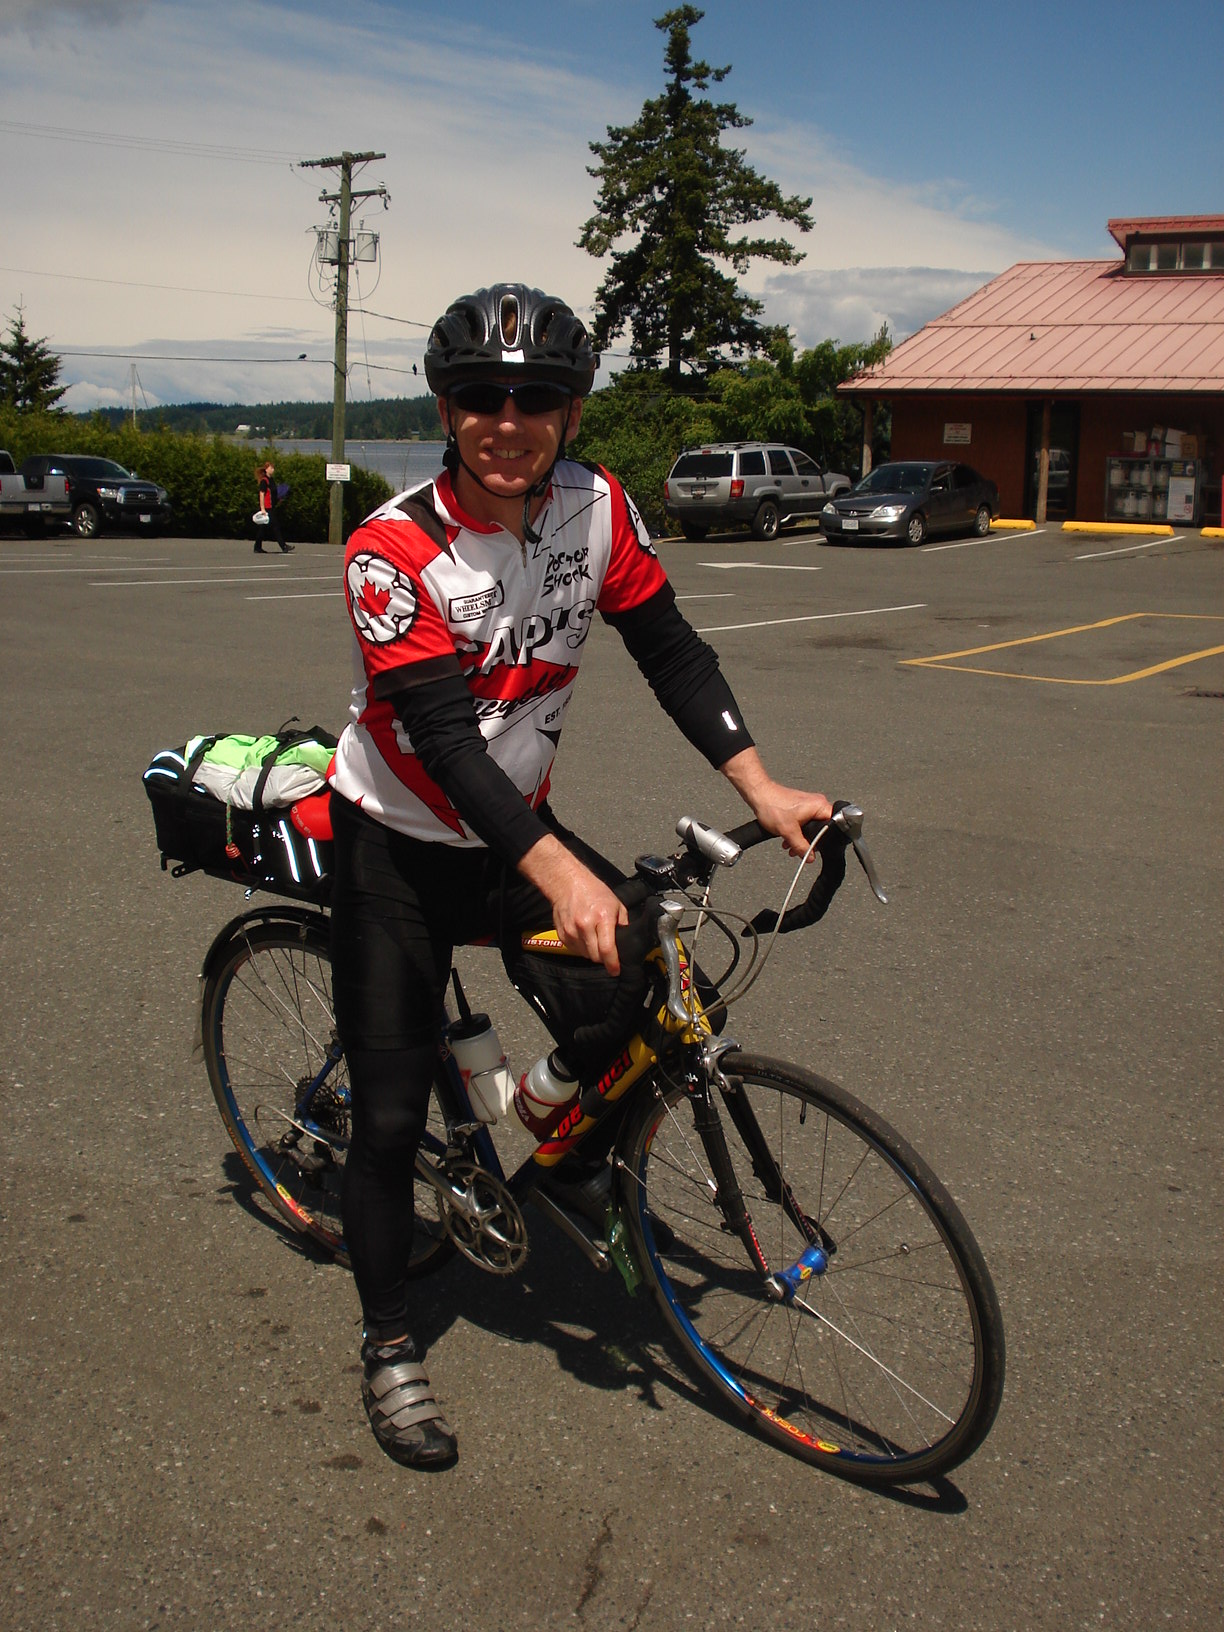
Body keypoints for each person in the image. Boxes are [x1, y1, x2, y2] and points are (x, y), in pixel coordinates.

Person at [328, 283, 831, 1470]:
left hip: (514, 832)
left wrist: (760, 783)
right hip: (397, 847)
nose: (509, 421)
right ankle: (389, 1344)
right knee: (391, 1120)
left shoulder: (595, 506)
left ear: (572, 410)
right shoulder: (389, 550)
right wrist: (557, 868)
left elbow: (669, 647)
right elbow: (445, 743)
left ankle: (547, 1141)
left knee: (650, 981)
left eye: (536, 398)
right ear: (446, 411)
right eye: (482, 397)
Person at [254, 461, 294, 553]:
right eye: (271, 468)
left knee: (262, 528)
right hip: (267, 508)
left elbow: (273, 493)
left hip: (272, 506)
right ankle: (283, 546)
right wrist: (262, 508)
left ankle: (257, 547)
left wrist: (279, 498)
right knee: (275, 526)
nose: (273, 470)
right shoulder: (264, 481)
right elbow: (262, 494)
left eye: (273, 468)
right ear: (266, 469)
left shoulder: (271, 480)